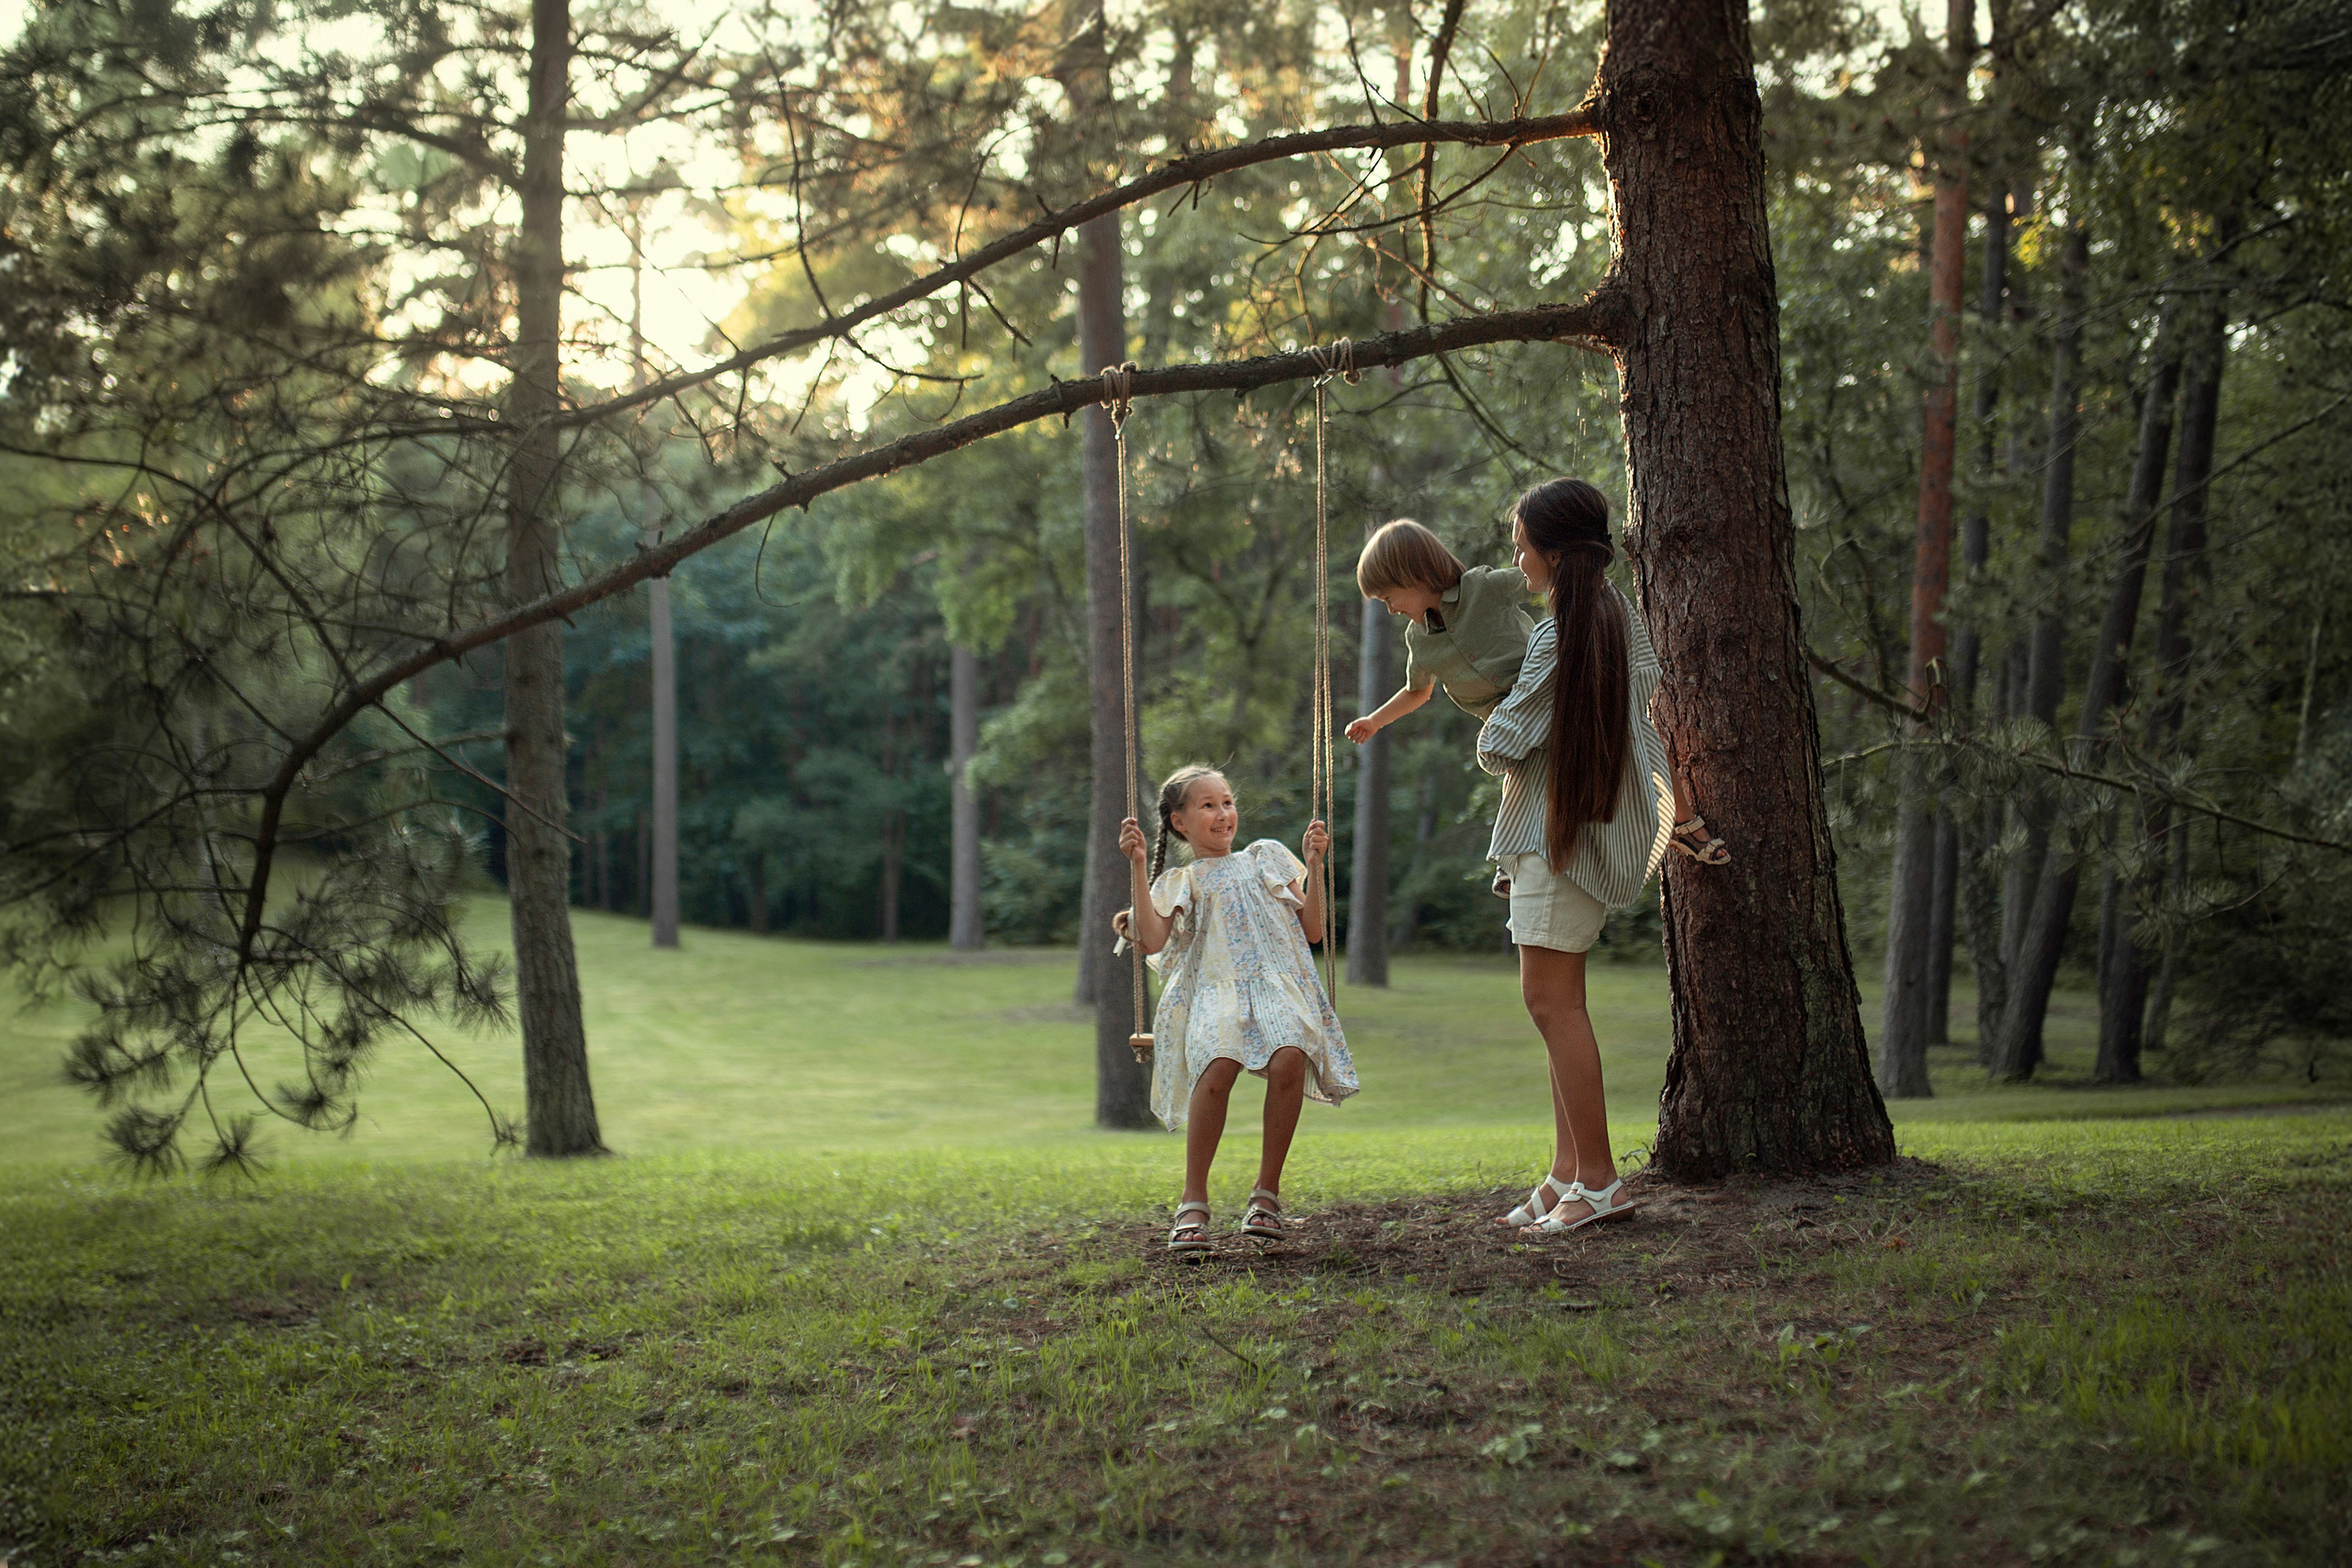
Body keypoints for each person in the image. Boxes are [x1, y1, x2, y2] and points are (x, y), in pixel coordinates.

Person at [1478, 479, 1675, 1235]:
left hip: (1555, 836)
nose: (1518, 557)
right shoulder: (1617, 615)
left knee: (1550, 1003)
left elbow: (1502, 742)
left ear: (1554, 551)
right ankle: (1568, 1171)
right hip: (1590, 831)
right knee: (1562, 1003)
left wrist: (1490, 705)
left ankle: (1598, 1180)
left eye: (1523, 543)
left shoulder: (1560, 631)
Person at [1345, 519, 1729, 900]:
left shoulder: (1483, 587)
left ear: (1412, 573)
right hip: (1508, 721)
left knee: (1634, 732)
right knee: (1521, 774)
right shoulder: (1420, 640)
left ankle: (1681, 821)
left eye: (1388, 597)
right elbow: (1418, 691)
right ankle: (1514, 859)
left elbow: (1535, 574)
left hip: (1549, 689)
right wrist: (1374, 720)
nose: (1391, 610)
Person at [1115, 766, 1358, 1252]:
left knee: (1292, 1050)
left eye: (1227, 802)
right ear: (1180, 822)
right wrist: (1139, 865)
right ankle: (1193, 1199)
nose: (1223, 814)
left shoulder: (1265, 857)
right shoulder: (1181, 880)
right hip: (1213, 990)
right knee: (1218, 1060)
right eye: (1208, 805)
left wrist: (1314, 862)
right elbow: (1152, 939)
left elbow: (1313, 930)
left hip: (1275, 985)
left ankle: (1266, 1195)